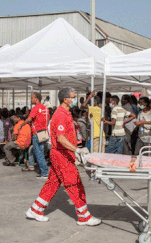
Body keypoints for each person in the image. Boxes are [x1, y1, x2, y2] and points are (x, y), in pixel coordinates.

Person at [25, 87, 101, 226]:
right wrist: (77, 150)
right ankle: (84, 216)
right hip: (61, 154)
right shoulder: (60, 114)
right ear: (65, 99)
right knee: (74, 184)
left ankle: (35, 210)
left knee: (52, 184)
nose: (74, 99)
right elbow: (60, 138)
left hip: (62, 153)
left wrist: (90, 96)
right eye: (72, 97)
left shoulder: (66, 112)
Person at [20, 92, 49, 177]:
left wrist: (22, 124)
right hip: (44, 133)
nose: (31, 99)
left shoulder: (35, 108)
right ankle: (42, 170)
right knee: (40, 152)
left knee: (39, 153)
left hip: (37, 133)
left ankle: (44, 173)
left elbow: (29, 119)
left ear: (36, 99)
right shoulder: (45, 108)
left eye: (32, 98)